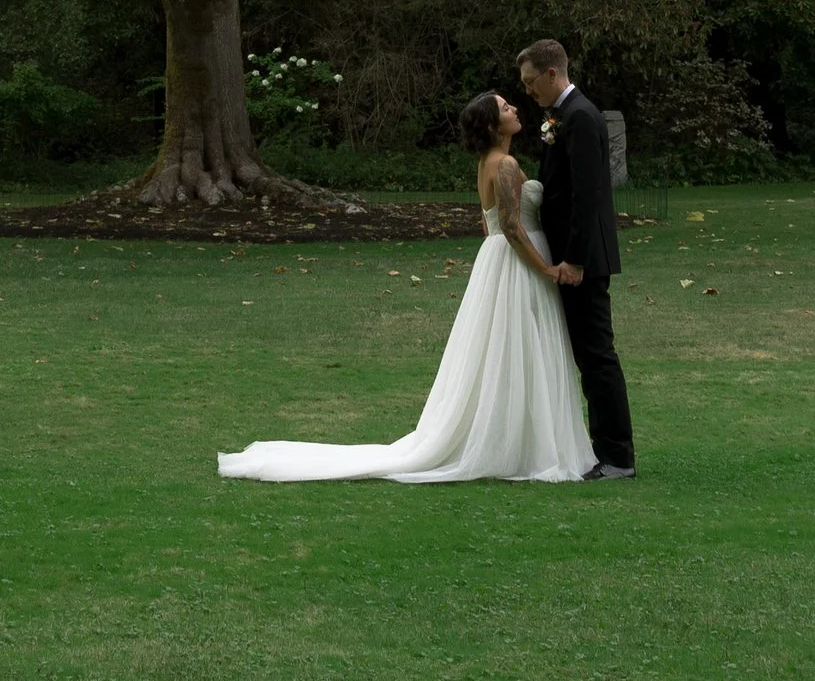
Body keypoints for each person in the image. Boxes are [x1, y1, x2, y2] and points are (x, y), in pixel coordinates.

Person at [216, 91, 593, 484]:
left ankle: (516, 441)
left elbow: (489, 225)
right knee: (520, 347)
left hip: (496, 260)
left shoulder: (486, 163)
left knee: (507, 349)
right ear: (491, 125)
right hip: (518, 264)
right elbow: (512, 228)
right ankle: (527, 445)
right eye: (504, 108)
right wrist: (547, 269)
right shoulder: (506, 164)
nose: (514, 109)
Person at [517, 36, 636, 480]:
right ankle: (599, 447)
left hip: (584, 261)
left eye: (532, 82)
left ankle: (618, 456)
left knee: (597, 354)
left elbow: (588, 197)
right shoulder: (560, 116)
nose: (528, 92)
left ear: (553, 73)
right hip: (571, 256)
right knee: (587, 354)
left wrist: (576, 260)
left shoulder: (581, 117)